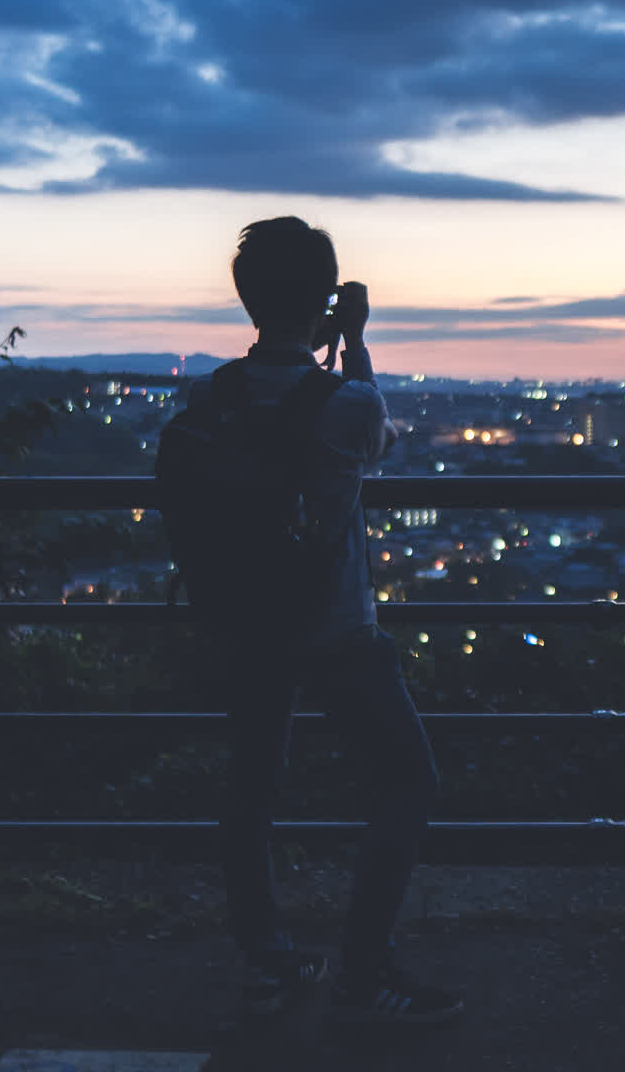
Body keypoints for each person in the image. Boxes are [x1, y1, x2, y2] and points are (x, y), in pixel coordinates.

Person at [197, 215, 462, 1026]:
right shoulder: (346, 401)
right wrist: (353, 342)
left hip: (247, 622)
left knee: (251, 791)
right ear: (323, 300)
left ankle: (267, 961)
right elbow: (375, 439)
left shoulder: (213, 393)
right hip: (336, 624)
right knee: (407, 780)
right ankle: (364, 969)